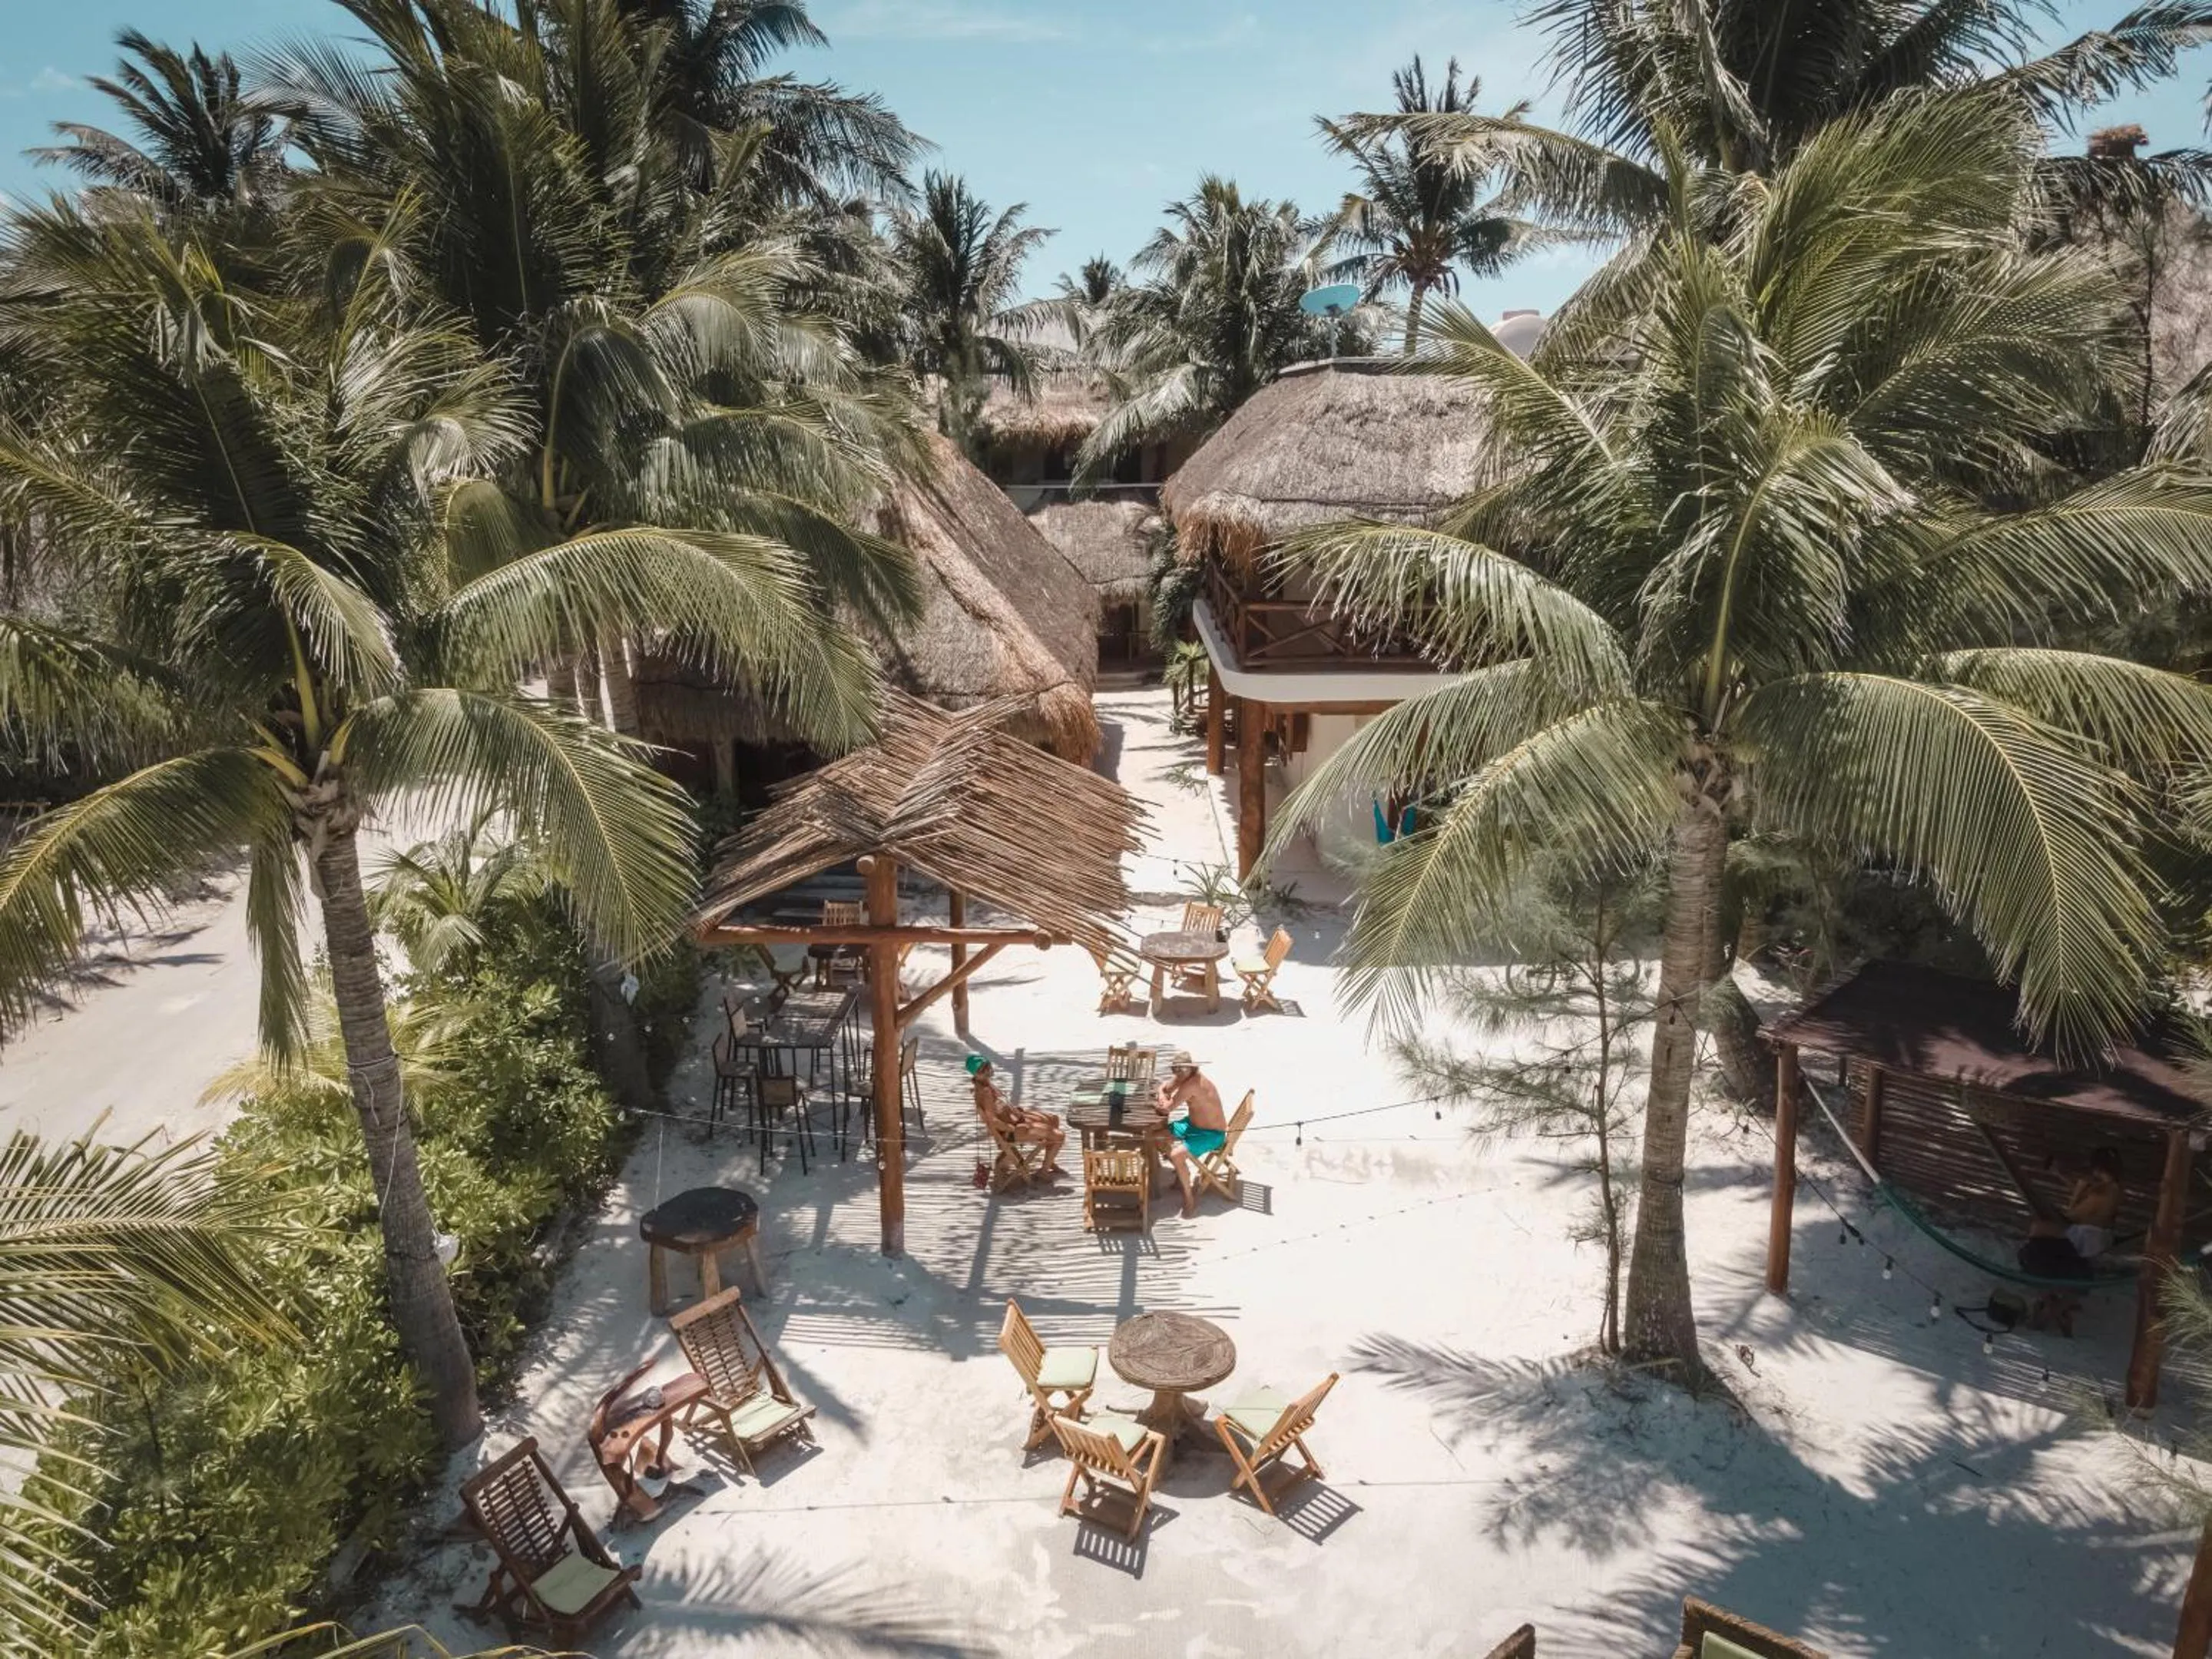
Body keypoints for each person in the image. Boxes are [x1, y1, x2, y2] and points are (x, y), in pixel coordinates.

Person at [2019, 1146, 2124, 1333]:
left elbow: (2072, 1214)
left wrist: (2078, 1190)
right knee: (2040, 1235)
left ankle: (2049, 1302)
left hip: (2089, 1238)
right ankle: (2053, 1301)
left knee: (2037, 1230)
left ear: (2098, 1168)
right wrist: (2061, 1175)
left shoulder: (2103, 1192)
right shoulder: (2108, 1188)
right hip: (2089, 1234)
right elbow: (2086, 1196)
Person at [967, 1055, 1066, 1178]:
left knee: (1053, 1119)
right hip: (1012, 1131)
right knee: (1059, 1136)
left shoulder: (987, 1085)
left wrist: (1015, 1112)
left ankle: (1050, 1162)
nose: (986, 1071)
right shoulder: (985, 1093)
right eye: (981, 1070)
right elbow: (992, 1121)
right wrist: (1012, 1128)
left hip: (1017, 1119)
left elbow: (1000, 1107)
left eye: (987, 1067)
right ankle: (1043, 1172)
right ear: (975, 1074)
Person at [1156, 1051, 1227, 1217]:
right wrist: (1162, 1093)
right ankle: (1182, 1176)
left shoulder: (1193, 1084)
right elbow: (1165, 1088)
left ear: (1191, 1069)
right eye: (1176, 1069)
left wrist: (1162, 1097)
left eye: (1183, 1069)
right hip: (1192, 1125)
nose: (1179, 1073)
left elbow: (1166, 1108)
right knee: (1157, 1137)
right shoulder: (1182, 1078)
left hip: (1211, 1134)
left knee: (1176, 1155)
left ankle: (1189, 1199)